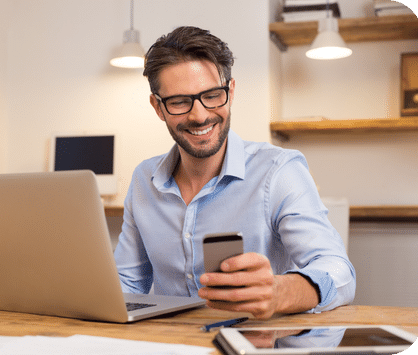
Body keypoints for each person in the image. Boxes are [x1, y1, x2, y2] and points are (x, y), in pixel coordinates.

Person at [113, 26, 356, 320]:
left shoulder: (279, 171)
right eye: (179, 101)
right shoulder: (144, 180)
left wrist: (281, 291)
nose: (199, 115)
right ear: (158, 107)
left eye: (213, 95)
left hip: (256, 345)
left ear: (230, 92)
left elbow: (338, 270)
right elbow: (127, 285)